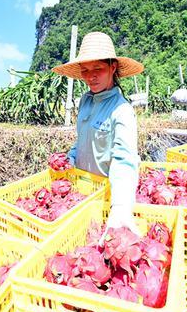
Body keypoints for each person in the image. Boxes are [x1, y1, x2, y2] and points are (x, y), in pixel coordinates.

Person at [52, 31, 144, 241]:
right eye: (84, 70)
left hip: (107, 196)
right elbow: (81, 140)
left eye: (98, 69)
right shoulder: (85, 102)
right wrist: (70, 158)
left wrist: (120, 207)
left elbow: (124, 159)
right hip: (81, 192)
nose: (90, 76)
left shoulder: (122, 111)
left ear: (113, 67)